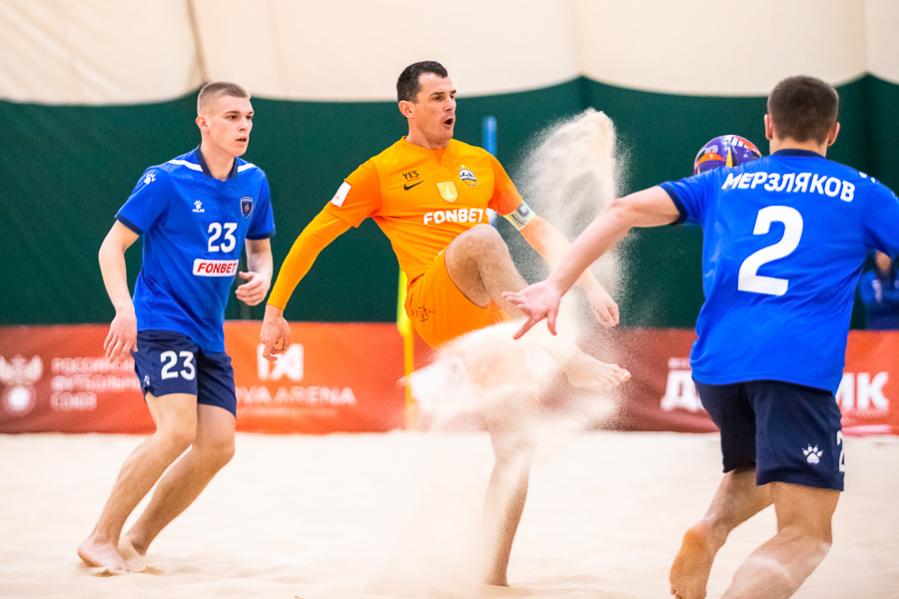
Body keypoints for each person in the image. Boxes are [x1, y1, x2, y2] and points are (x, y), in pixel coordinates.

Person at [505, 75, 899, 599]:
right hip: (794, 368)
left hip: (716, 369)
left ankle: (709, 529)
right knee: (806, 536)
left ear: (769, 126)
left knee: (759, 465)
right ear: (833, 131)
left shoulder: (724, 184)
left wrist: (555, 285)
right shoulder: (864, 192)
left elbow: (620, 210)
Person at [259, 60, 627, 586]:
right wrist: (274, 310)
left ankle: (493, 578)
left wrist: (587, 285)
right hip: (433, 304)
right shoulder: (379, 172)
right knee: (482, 238)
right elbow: (314, 236)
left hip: (491, 319)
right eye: (437, 98)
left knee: (515, 446)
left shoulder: (480, 163)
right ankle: (565, 356)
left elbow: (536, 228)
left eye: (453, 95)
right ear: (407, 109)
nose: (450, 105)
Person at [78, 82, 275, 573]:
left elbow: (260, 249)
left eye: (249, 117)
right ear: (203, 123)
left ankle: (137, 540)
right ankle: (100, 537)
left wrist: (262, 276)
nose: (244, 126)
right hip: (161, 320)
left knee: (219, 446)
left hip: (209, 331)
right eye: (232, 117)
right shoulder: (166, 179)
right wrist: (124, 309)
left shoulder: (254, 180)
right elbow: (111, 247)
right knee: (177, 431)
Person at [858, 251, 899, 329]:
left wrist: (882, 295)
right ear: (876, 259)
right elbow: (869, 302)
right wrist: (892, 297)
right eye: (880, 256)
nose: (884, 259)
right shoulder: (868, 278)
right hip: (875, 324)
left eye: (887, 255)